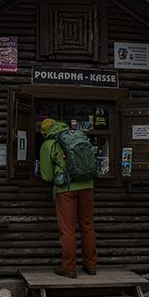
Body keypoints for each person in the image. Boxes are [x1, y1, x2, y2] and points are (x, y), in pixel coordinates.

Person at [39, 118, 97, 278]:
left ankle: (69, 268)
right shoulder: (77, 135)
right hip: (88, 186)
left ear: (44, 133)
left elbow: (47, 175)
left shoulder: (49, 144)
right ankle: (91, 265)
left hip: (66, 189)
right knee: (87, 225)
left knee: (67, 229)